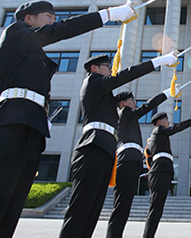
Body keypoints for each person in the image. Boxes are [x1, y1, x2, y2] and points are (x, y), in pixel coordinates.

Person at [0, 0, 135, 238]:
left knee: (10, 211)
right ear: (28, 18)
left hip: (30, 129)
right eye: (48, 16)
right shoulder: (15, 32)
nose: (53, 21)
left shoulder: (32, 55)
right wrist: (107, 15)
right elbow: (58, 31)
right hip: (8, 125)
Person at [59, 52, 179, 238]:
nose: (111, 70)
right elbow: (127, 76)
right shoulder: (92, 83)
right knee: (81, 207)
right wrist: (159, 61)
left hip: (106, 149)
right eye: (107, 66)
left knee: (93, 210)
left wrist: (167, 92)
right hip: (93, 146)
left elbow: (127, 100)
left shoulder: (105, 96)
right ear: (94, 68)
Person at [106, 87, 177, 238]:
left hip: (132, 160)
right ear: (123, 103)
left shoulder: (128, 117)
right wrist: (166, 93)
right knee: (121, 206)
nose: (135, 103)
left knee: (124, 206)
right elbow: (146, 107)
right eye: (132, 101)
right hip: (127, 159)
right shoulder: (125, 113)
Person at [143, 109, 191, 238]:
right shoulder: (158, 130)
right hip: (159, 172)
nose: (168, 122)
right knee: (155, 209)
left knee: (157, 209)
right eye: (166, 120)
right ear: (160, 122)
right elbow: (178, 128)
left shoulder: (158, 136)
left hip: (162, 172)